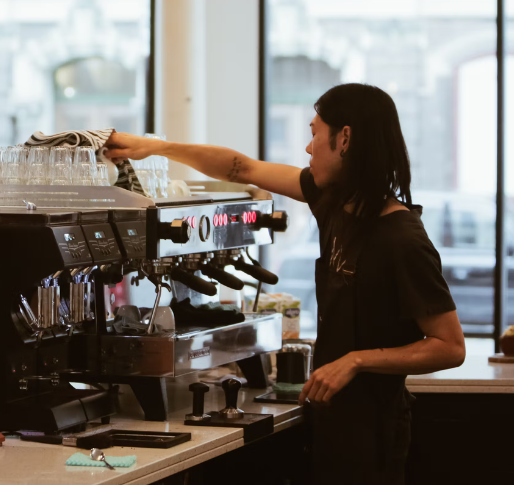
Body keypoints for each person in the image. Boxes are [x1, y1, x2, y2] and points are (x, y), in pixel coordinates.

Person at [104, 83, 466, 485]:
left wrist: (357, 360)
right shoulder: (334, 205)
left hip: (373, 435)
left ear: (344, 139)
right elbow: (240, 168)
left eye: (314, 133)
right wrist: (154, 147)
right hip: (330, 421)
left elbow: (449, 346)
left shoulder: (401, 238)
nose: (308, 148)